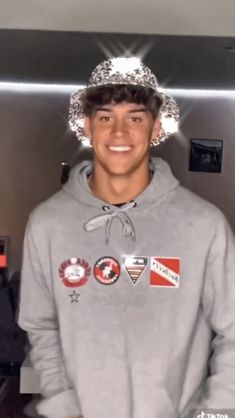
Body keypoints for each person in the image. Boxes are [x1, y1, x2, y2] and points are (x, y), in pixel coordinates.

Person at [18, 57, 235, 418]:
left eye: (135, 118)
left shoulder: (203, 224)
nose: (119, 133)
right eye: (105, 118)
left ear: (155, 128)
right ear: (87, 126)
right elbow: (40, 326)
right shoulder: (47, 223)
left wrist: (216, 412)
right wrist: (63, 404)